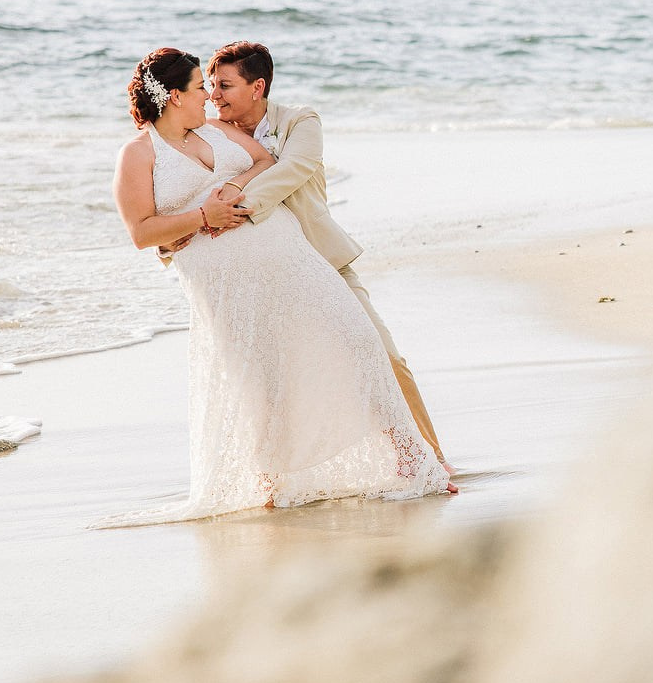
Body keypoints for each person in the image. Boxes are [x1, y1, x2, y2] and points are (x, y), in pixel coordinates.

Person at [106, 47, 449, 523]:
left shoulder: (223, 129)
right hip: (222, 282)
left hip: (292, 256)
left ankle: (416, 457)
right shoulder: (138, 154)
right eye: (200, 86)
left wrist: (235, 191)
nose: (208, 93)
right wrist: (202, 215)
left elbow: (268, 161)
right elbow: (141, 232)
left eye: (216, 85)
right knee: (258, 377)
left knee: (359, 340)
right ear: (173, 96)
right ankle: (273, 480)